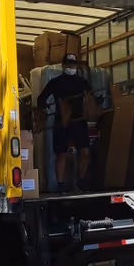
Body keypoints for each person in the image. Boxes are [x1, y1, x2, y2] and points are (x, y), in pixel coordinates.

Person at [36, 54, 92, 192]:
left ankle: (81, 182)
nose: (71, 67)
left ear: (76, 66)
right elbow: (41, 99)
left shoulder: (82, 82)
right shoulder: (56, 82)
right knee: (61, 153)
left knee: (84, 152)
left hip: (79, 121)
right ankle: (61, 185)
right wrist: (43, 109)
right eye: (68, 65)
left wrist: (95, 103)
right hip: (62, 122)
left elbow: (93, 97)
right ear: (63, 66)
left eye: (73, 65)